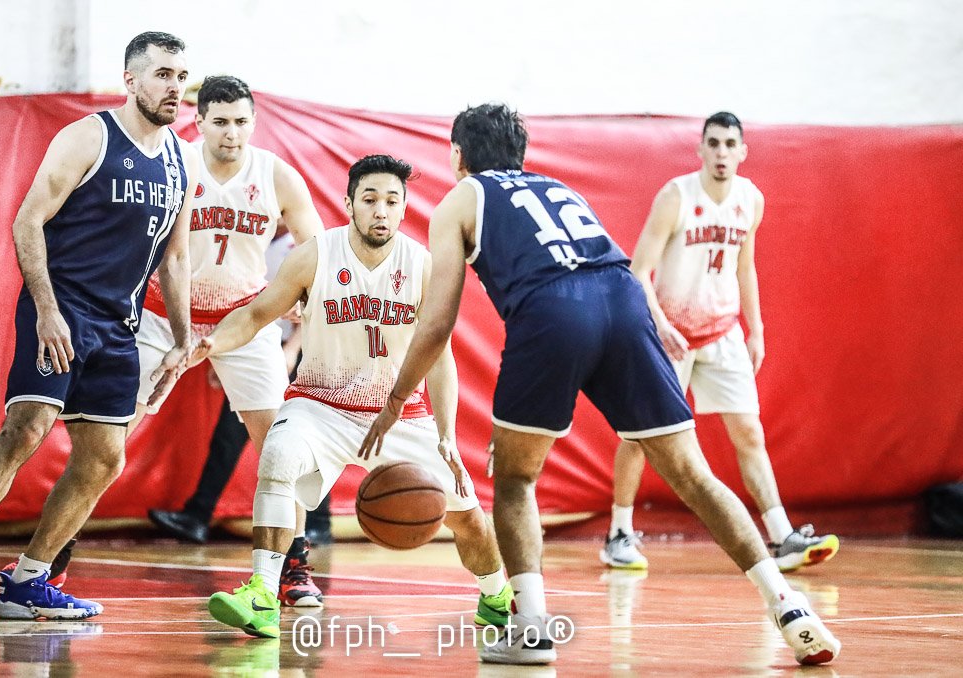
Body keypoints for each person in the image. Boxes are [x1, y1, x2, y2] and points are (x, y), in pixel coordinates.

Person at [359, 104, 840, 666]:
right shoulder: (557, 187)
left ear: (458, 155)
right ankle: (788, 605)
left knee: (515, 479)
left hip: (552, 309)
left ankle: (531, 630)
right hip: (623, 300)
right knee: (693, 474)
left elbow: (438, 320)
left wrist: (396, 400)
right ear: (521, 152)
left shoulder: (461, 199)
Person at [0, 31, 198, 620]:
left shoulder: (182, 161)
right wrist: (45, 309)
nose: (175, 87)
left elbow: (176, 258)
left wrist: (182, 338)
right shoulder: (89, 136)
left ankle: (28, 579)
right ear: (131, 80)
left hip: (118, 325)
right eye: (163, 75)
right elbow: (28, 220)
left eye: (180, 76)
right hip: (61, 308)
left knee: (105, 459)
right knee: (27, 429)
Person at [180, 154, 512, 638]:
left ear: (404, 208)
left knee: (470, 521)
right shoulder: (315, 255)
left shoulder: (422, 265)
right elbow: (254, 315)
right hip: (321, 405)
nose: (381, 210)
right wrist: (212, 343)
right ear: (349, 203)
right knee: (278, 454)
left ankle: (497, 596)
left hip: (399, 414)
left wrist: (446, 436)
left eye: (392, 201)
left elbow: (440, 358)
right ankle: (263, 593)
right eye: (370, 199)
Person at [603, 112, 839, 573]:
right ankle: (619, 532)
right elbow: (639, 271)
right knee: (639, 437)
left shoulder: (750, 199)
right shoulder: (676, 196)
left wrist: (757, 328)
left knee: (749, 431)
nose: (721, 153)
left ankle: (782, 537)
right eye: (713, 143)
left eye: (730, 144)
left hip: (722, 329)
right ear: (700, 149)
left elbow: (744, 266)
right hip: (670, 333)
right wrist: (660, 325)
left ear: (743, 151)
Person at [132, 75, 327, 607]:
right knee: (109, 434)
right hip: (164, 313)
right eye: (220, 122)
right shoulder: (173, 163)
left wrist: (301, 295)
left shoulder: (276, 176)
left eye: (241, 122)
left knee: (283, 447)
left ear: (254, 123)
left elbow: (317, 251)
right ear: (199, 122)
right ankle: (54, 556)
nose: (231, 133)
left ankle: (293, 566)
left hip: (244, 318)